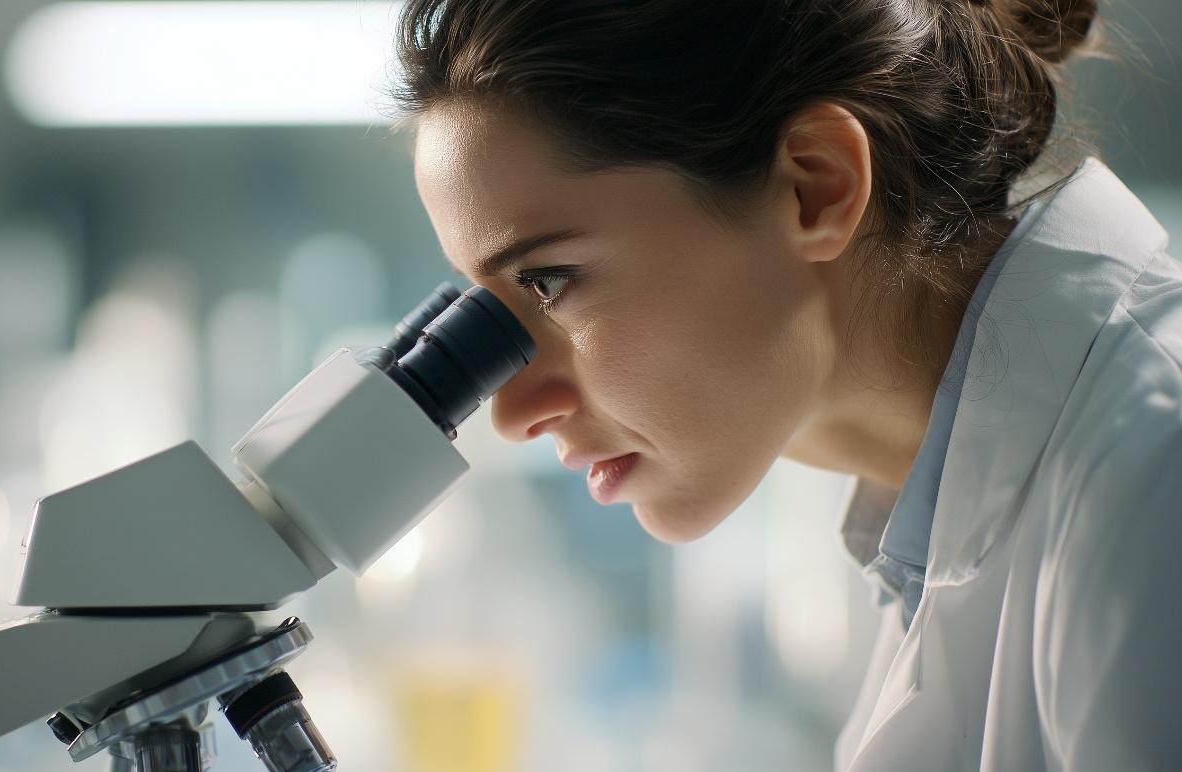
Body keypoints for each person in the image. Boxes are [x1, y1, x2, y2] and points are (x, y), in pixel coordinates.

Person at [389, 0, 1182, 769]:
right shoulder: (934, 526)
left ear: (819, 185)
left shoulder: (1155, 475)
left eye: (550, 282)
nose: (513, 413)